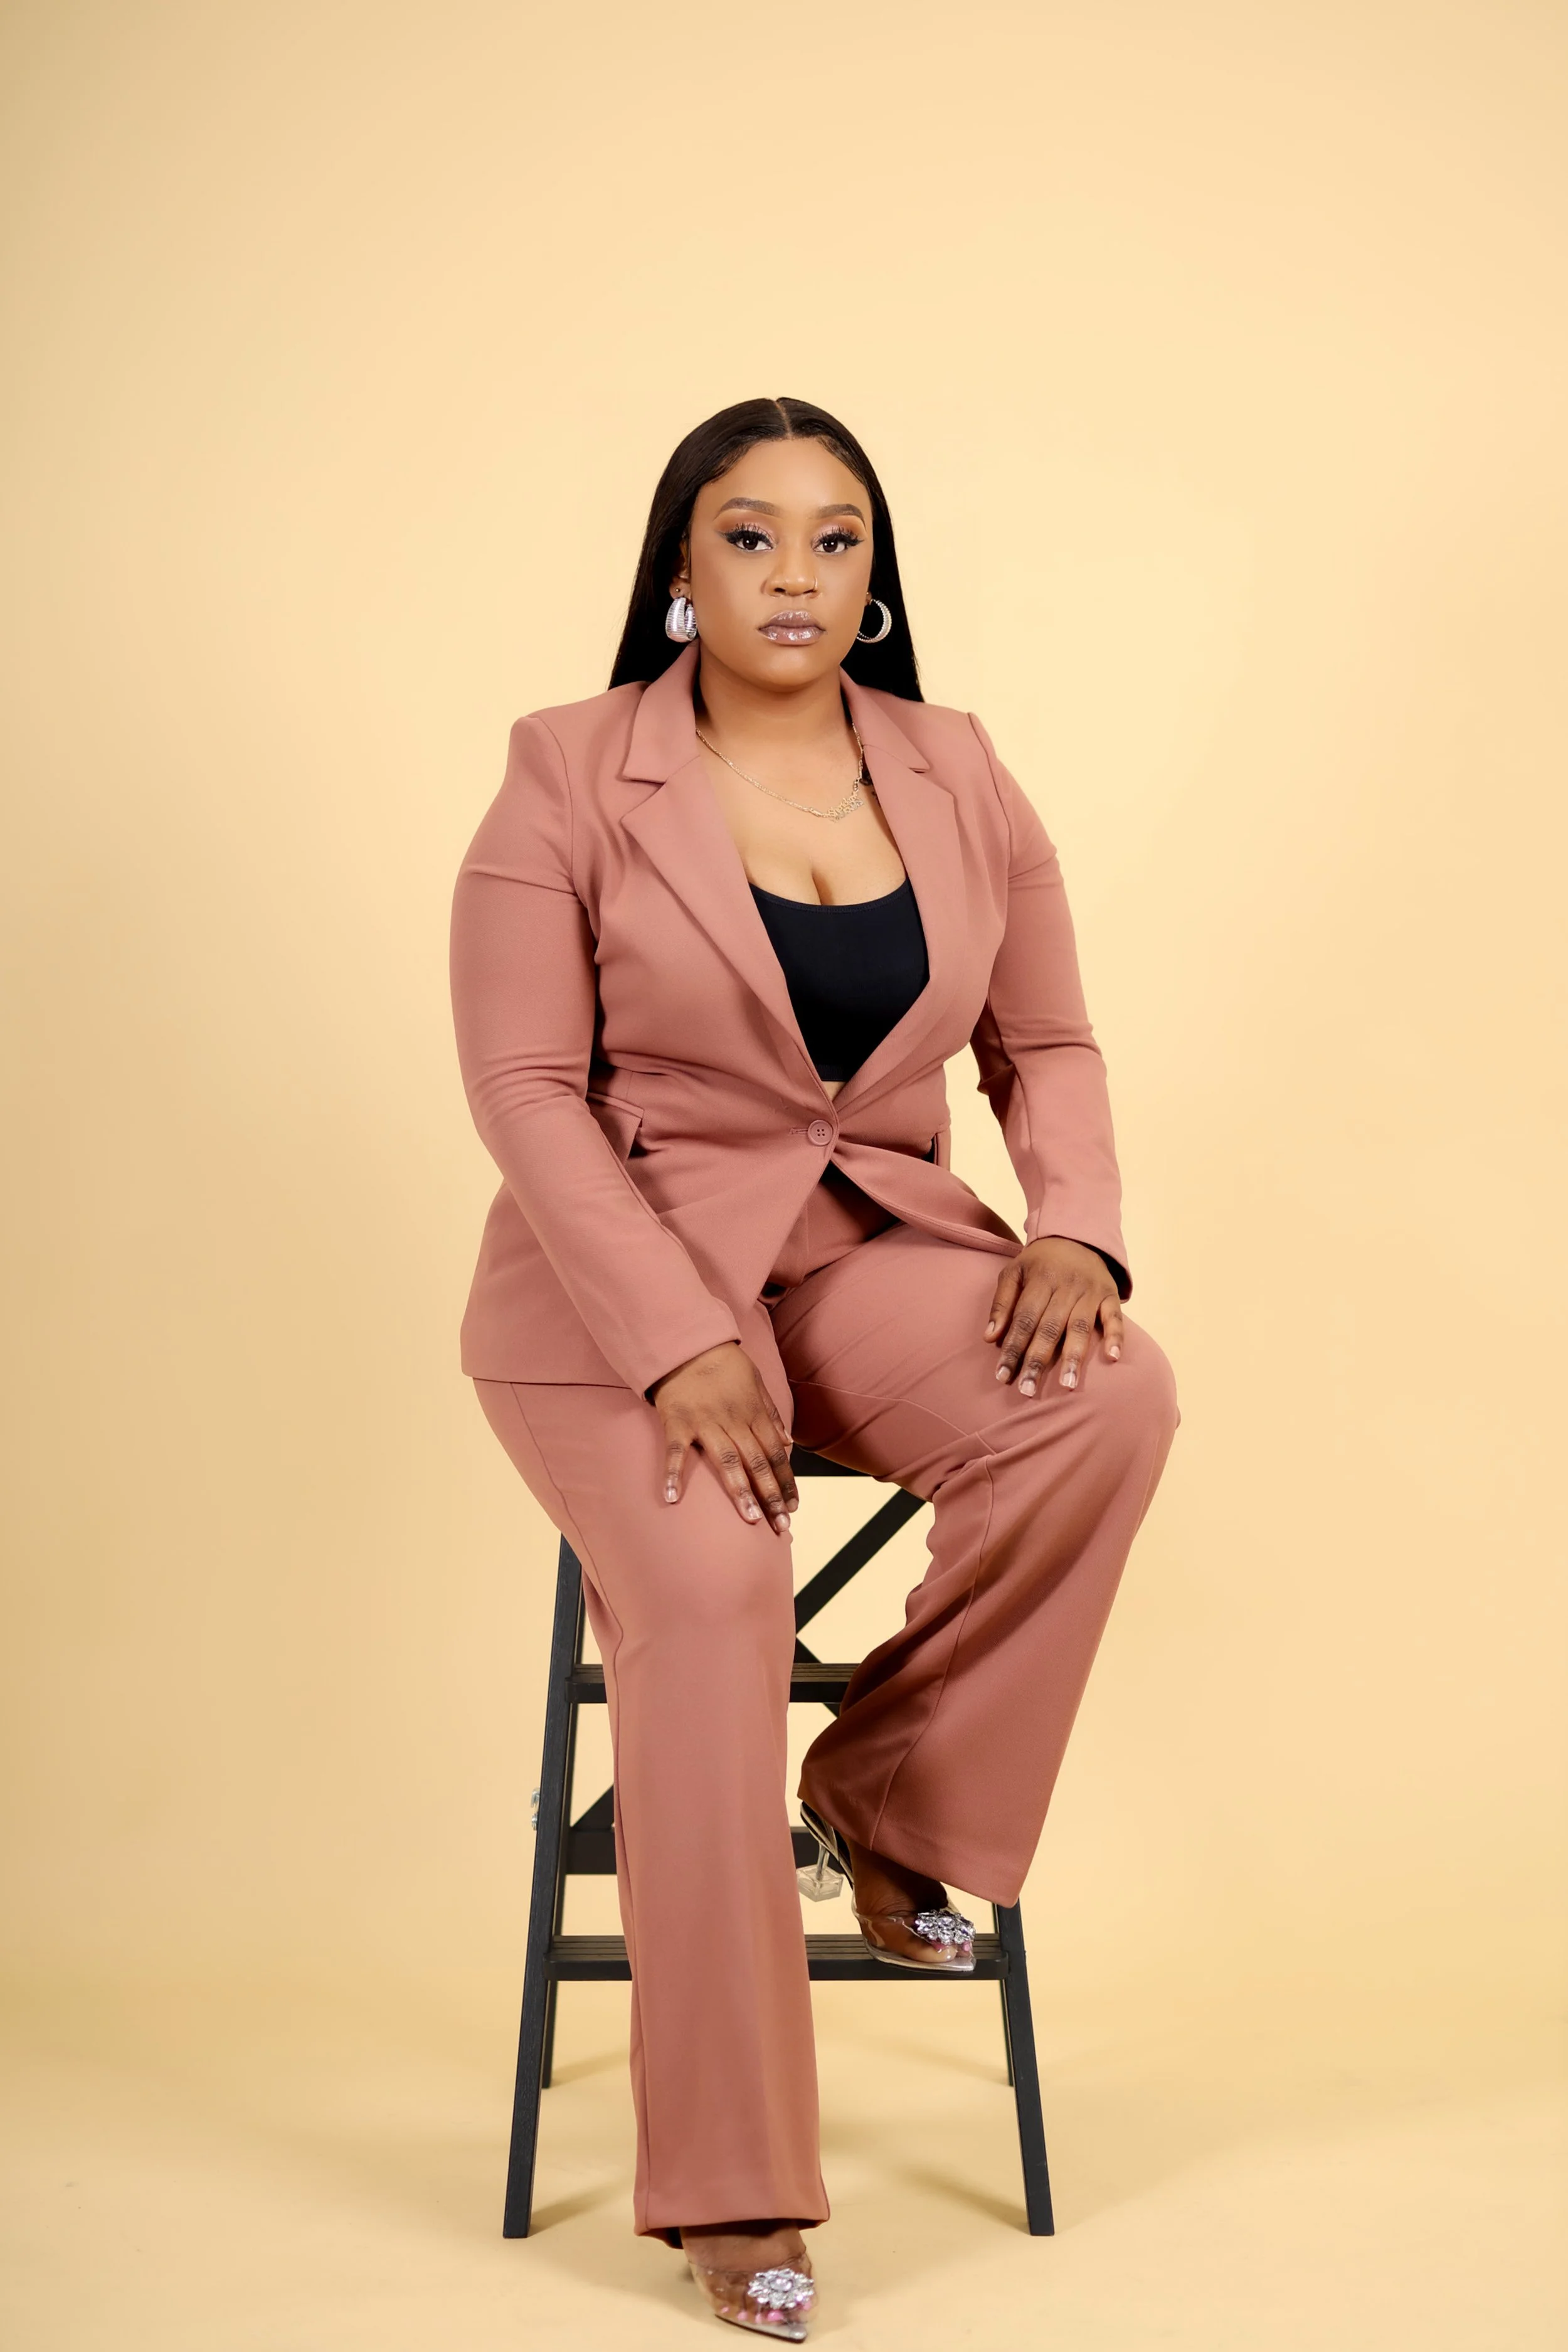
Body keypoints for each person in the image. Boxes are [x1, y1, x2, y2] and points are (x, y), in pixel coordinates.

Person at [449, 396, 1180, 2339]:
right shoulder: (563, 773)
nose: (794, 573)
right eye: (749, 535)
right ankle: (732, 2185)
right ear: (677, 572)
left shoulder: (955, 769)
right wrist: (678, 1332)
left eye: (835, 537)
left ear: (877, 579)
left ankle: (893, 1803)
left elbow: (1051, 1041)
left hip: (871, 1252)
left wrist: (1072, 1228)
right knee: (708, 1591)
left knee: (1105, 1392)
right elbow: (523, 1088)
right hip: (618, 1289)